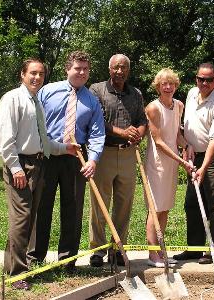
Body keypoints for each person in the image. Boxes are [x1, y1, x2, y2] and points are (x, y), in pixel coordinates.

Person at [0, 58, 79, 289]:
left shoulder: (36, 102)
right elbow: (5, 140)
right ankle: (17, 275)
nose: (37, 78)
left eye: (41, 74)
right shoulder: (12, 99)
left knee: (27, 219)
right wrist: (15, 168)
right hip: (21, 165)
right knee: (22, 218)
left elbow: (43, 141)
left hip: (39, 165)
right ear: (22, 75)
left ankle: (11, 267)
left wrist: (65, 148)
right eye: (32, 73)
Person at [27, 51, 105, 271]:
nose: (81, 72)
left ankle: (67, 260)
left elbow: (97, 134)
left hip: (75, 158)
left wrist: (93, 160)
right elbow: (34, 122)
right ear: (67, 69)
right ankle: (35, 258)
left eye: (85, 69)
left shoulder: (92, 101)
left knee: (73, 209)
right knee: (42, 207)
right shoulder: (47, 92)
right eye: (77, 68)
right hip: (48, 156)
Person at [88, 54, 147, 267]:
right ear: (109, 69)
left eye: (123, 68)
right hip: (104, 153)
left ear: (128, 70)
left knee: (124, 205)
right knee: (100, 203)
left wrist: (138, 133)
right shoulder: (97, 90)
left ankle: (118, 248)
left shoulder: (136, 94)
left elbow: (142, 119)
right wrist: (123, 132)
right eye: (116, 68)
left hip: (129, 154)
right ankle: (97, 250)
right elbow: (97, 121)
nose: (119, 72)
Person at [173, 62, 214, 264]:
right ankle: (194, 248)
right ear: (196, 79)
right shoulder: (191, 93)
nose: (204, 83)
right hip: (193, 155)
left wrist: (204, 168)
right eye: (200, 79)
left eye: (208, 80)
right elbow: (186, 126)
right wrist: (185, 148)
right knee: (192, 203)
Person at [144, 68, 192, 267]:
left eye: (171, 83)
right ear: (158, 86)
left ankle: (162, 251)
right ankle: (152, 254)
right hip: (157, 162)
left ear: (176, 85)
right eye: (164, 83)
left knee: (165, 209)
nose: (168, 86)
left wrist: (186, 145)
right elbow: (159, 142)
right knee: (155, 208)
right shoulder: (153, 108)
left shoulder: (179, 105)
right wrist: (181, 161)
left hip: (171, 161)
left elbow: (176, 136)